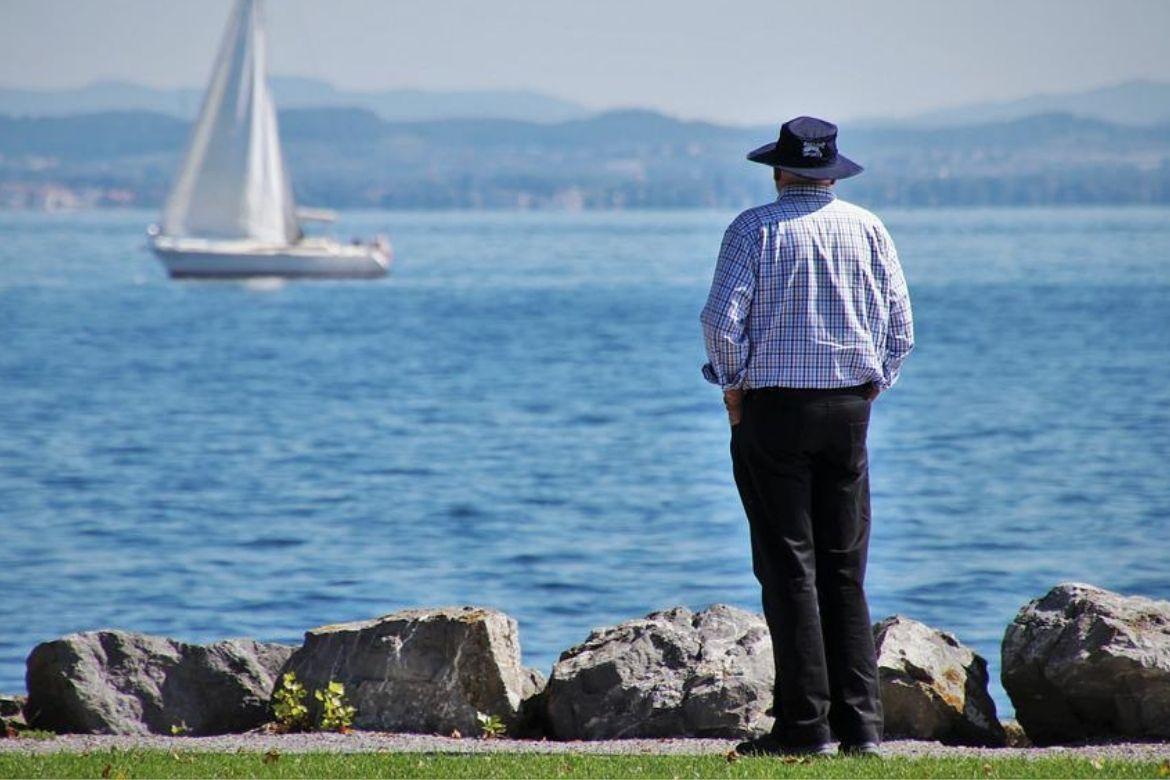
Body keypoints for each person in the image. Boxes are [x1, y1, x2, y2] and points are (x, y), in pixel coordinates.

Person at [700, 116, 914, 758]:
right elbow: (900, 326)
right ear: (832, 171)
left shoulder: (752, 229)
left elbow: (719, 321)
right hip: (849, 410)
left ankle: (804, 727)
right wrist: (872, 386)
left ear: (779, 170)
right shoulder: (869, 228)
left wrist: (733, 388)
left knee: (788, 567)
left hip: (773, 412)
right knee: (845, 570)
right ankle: (863, 729)